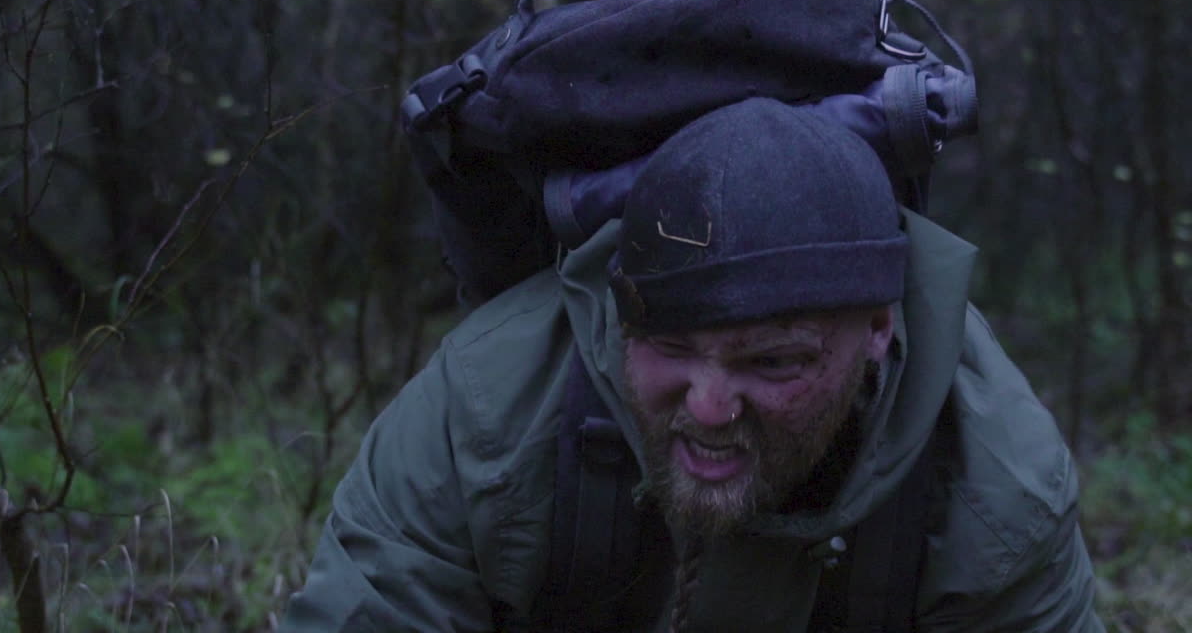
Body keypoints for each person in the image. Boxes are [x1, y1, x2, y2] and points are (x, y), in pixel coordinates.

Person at [280, 98, 1102, 631]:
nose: (709, 407)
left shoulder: (996, 481)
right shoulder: (484, 409)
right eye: (670, 347)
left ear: (880, 329)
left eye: (774, 361)